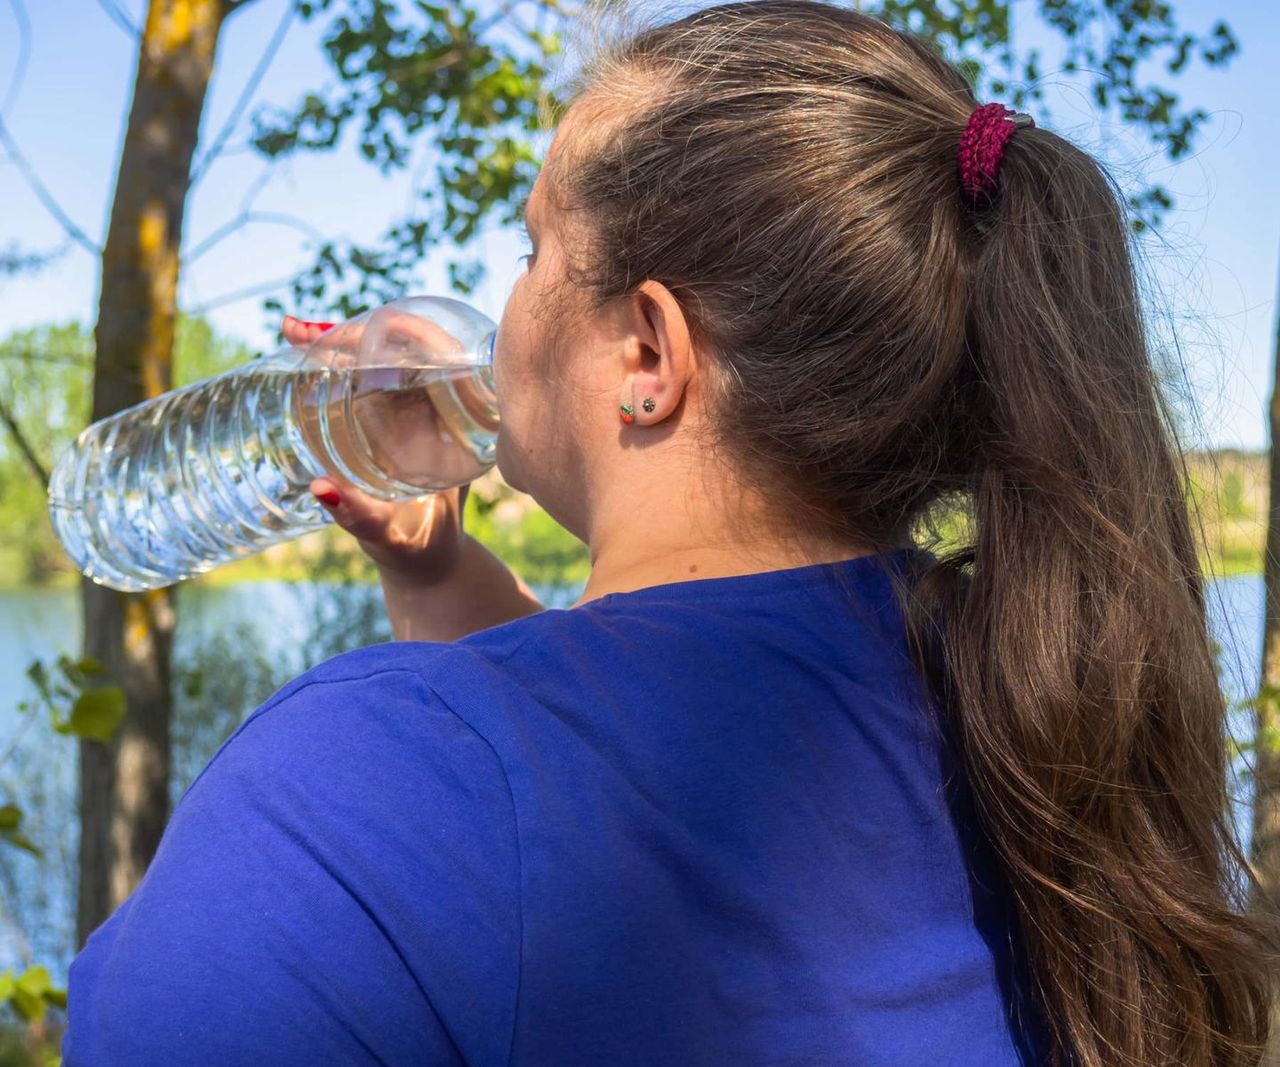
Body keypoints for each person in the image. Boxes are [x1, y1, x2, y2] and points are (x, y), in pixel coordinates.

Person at [62, 1, 1277, 1064]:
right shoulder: (1036, 704)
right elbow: (608, 771)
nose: (504, 300)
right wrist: (432, 563)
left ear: (645, 353)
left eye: (534, 247)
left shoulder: (336, 798)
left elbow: (515, 808)